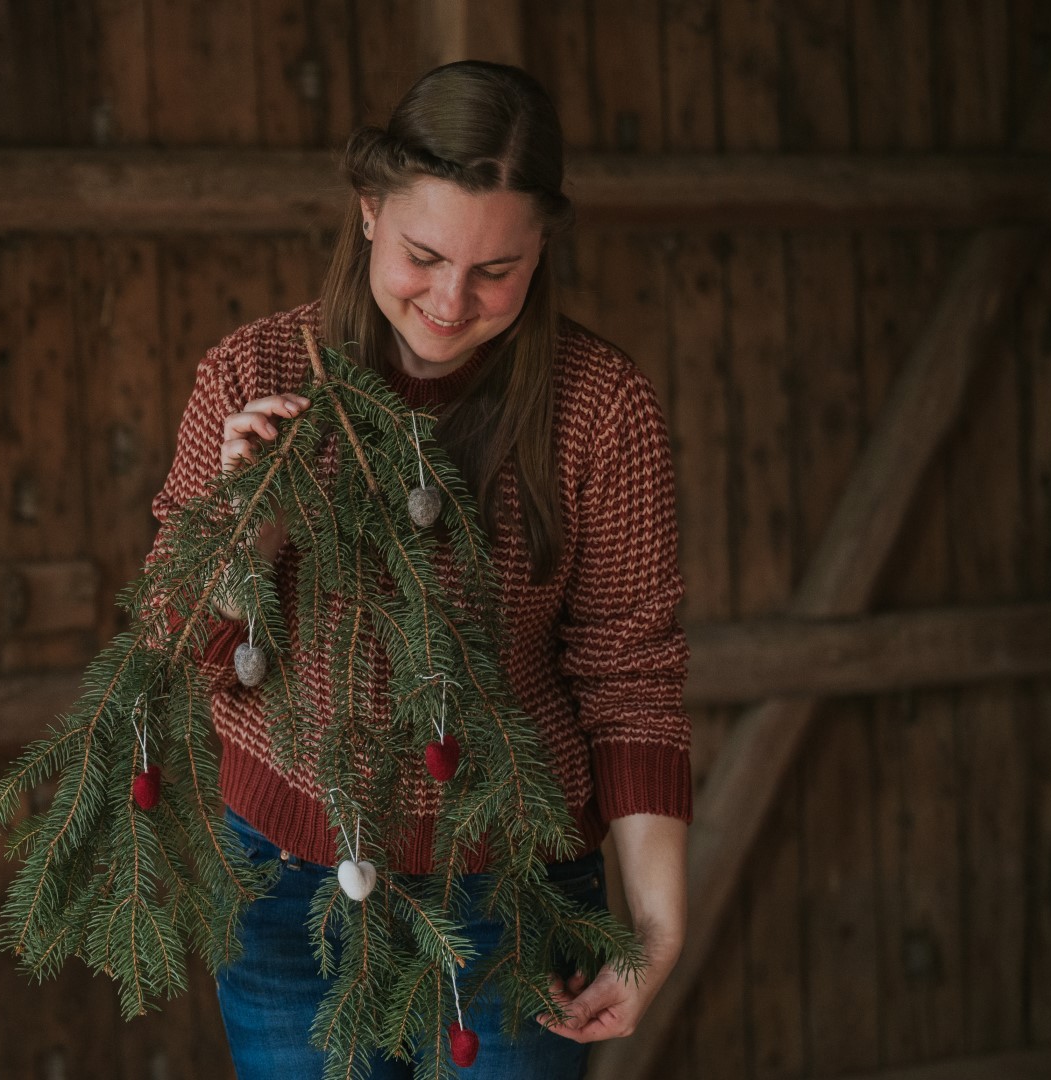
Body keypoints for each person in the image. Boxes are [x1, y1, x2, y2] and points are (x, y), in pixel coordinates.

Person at [149, 61, 690, 1079]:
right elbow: (175, 649)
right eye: (424, 254)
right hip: (280, 897)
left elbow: (632, 677)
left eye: (497, 268)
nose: (450, 299)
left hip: (514, 898)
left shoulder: (601, 410)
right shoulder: (253, 374)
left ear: (542, 249)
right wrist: (250, 521)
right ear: (367, 212)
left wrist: (656, 929)